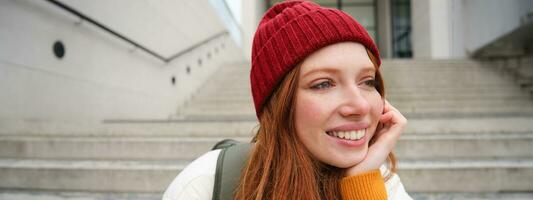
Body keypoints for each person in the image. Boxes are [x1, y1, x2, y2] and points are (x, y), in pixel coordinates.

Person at [163, 1, 412, 199]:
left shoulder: (381, 182)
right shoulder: (202, 184)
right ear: (279, 103)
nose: (360, 106)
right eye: (323, 83)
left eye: (368, 82)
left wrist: (362, 186)